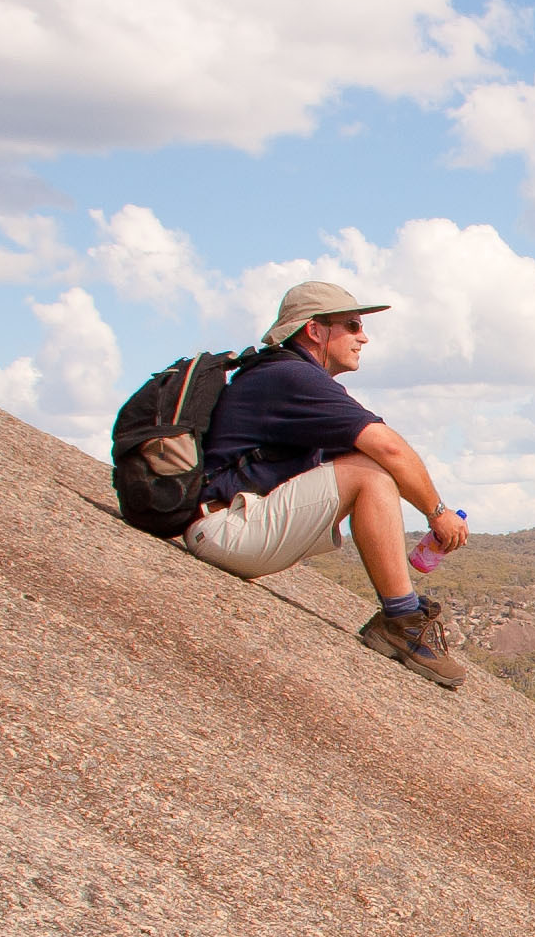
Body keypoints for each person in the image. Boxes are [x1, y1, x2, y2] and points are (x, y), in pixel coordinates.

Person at [177, 277, 474, 689]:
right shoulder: (291, 378)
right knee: (371, 471)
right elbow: (387, 449)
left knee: (366, 465)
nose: (363, 337)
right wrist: (437, 513)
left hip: (237, 524)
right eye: (351, 326)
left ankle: (400, 617)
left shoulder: (288, 379)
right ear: (314, 331)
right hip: (225, 529)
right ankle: (400, 621)